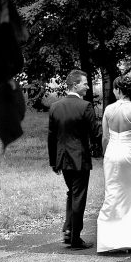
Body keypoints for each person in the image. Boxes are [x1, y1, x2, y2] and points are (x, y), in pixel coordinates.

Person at [96, 75, 131, 253]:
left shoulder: (108, 109)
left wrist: (106, 153)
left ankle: (110, 241)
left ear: (118, 90)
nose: (113, 91)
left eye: (114, 89)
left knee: (113, 193)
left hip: (113, 153)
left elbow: (105, 137)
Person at [48, 69, 102, 249]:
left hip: (63, 159)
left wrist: (53, 162)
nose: (87, 87)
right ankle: (75, 237)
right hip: (79, 159)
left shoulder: (55, 106)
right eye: (85, 83)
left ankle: (68, 229)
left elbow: (51, 137)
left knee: (72, 193)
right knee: (78, 196)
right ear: (75, 85)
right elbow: (96, 133)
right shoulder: (85, 106)